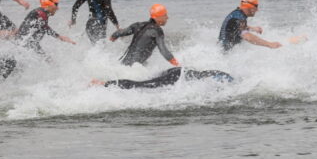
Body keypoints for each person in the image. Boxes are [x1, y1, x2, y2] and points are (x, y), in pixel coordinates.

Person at [110, 4, 179, 66]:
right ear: (157, 17)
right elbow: (163, 50)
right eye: (165, 15)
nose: (167, 17)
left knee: (146, 64)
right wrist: (177, 64)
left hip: (123, 64)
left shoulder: (137, 25)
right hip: (134, 68)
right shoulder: (157, 31)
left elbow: (118, 33)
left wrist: (112, 39)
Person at [94, 67, 233, 90]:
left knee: (144, 83)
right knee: (142, 85)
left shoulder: (221, 75)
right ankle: (103, 84)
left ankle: (104, 82)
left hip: (177, 71)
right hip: (176, 75)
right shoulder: (223, 79)